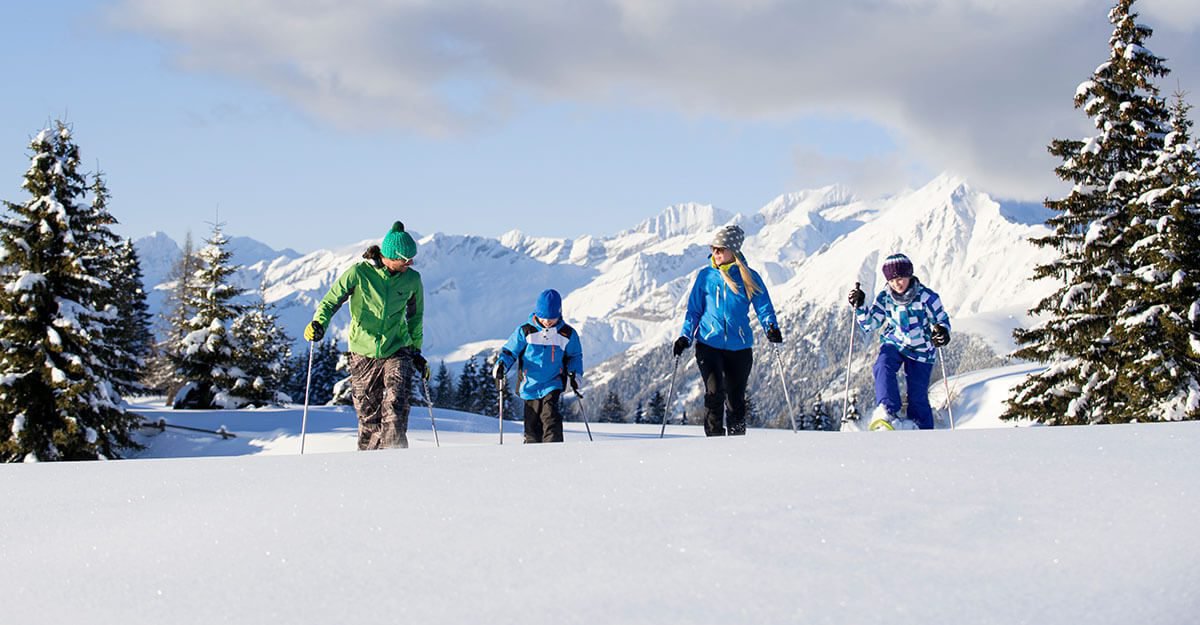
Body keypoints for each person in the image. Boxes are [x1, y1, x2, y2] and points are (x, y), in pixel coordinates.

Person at [304, 221, 429, 450]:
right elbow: (332, 300)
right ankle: (370, 468)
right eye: (406, 259)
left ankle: (397, 458)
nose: (410, 263)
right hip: (362, 352)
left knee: (396, 404)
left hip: (397, 348)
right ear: (390, 256)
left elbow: (415, 316)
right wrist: (318, 323)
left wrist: (416, 350)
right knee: (368, 416)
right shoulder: (359, 273)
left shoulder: (412, 279)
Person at [674, 225, 782, 436]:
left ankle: (736, 444)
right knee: (714, 393)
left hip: (739, 347)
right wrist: (685, 336)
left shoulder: (749, 277)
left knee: (735, 400)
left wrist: (771, 328)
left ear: (733, 250)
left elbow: (764, 307)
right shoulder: (705, 276)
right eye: (714, 248)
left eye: (720, 249)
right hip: (708, 343)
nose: (716, 253)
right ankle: (714, 443)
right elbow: (694, 311)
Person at [848, 253, 951, 431]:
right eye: (892, 280)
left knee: (917, 395)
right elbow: (870, 324)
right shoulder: (885, 297)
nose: (897, 283)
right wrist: (860, 306)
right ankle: (887, 411)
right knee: (883, 365)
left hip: (921, 349)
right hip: (895, 343)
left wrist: (942, 331)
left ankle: (921, 428)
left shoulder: (927, 297)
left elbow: (941, 319)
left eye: (901, 278)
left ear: (909, 275)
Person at [493, 289, 584, 443]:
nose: (547, 322)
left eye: (552, 318)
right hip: (530, 383)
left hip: (552, 381)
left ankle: (554, 448)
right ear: (536, 313)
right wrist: (502, 365)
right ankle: (532, 449)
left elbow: (574, 356)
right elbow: (510, 352)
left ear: (559, 314)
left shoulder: (566, 334)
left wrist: (575, 374)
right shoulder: (525, 331)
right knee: (532, 422)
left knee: (550, 416)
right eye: (543, 317)